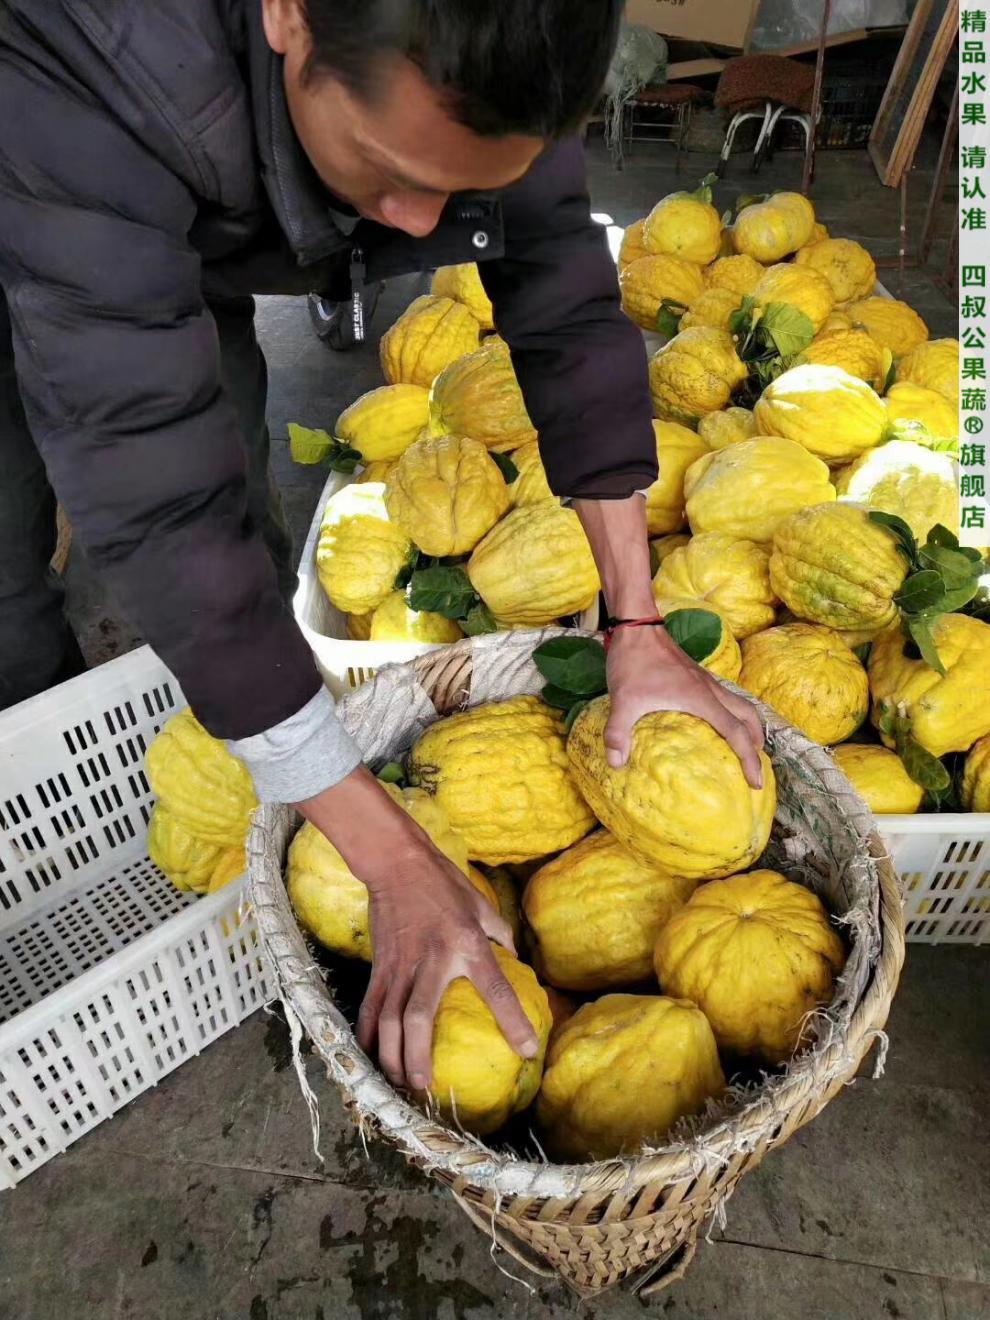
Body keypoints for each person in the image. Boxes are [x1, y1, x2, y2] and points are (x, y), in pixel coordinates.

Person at [0, 0, 763, 1095]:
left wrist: (637, 622)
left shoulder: (506, 43)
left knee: (232, 480)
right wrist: (399, 861)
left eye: (463, 187)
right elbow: (151, 489)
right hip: (40, 175)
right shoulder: (102, 59)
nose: (418, 228)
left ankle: (258, 746)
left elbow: (563, 301)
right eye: (391, 168)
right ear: (289, 16)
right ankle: (30, 757)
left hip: (178, 196)